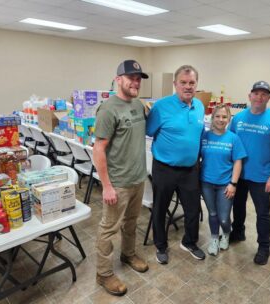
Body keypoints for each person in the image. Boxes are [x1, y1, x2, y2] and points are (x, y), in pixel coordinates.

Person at [93, 60, 149, 296]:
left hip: (138, 178)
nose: (136, 82)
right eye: (131, 78)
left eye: (138, 78)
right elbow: (98, 149)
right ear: (118, 80)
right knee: (108, 228)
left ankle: (128, 254)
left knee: (131, 221)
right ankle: (103, 273)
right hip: (118, 182)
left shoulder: (138, 105)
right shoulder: (108, 109)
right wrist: (106, 186)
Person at [146, 65, 205, 264]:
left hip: (190, 169)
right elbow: (150, 131)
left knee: (192, 209)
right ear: (175, 84)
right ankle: (161, 246)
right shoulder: (161, 107)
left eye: (191, 83)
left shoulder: (199, 106)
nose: (187, 86)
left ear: (196, 84)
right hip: (165, 168)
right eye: (183, 82)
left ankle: (189, 242)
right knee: (160, 209)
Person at [229, 81, 270, 265]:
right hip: (239, 174)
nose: (259, 97)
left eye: (264, 94)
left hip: (262, 177)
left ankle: (264, 246)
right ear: (250, 96)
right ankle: (238, 232)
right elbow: (230, 144)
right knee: (238, 207)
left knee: (263, 213)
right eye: (256, 93)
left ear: (269, 98)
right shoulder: (238, 118)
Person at [200, 104, 247, 256]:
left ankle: (226, 233)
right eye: (217, 116)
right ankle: (214, 238)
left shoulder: (234, 138)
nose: (221, 120)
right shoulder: (204, 136)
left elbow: (238, 162)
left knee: (224, 218)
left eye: (224, 117)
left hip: (225, 185)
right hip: (206, 183)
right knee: (212, 214)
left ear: (229, 119)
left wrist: (233, 183)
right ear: (212, 118)